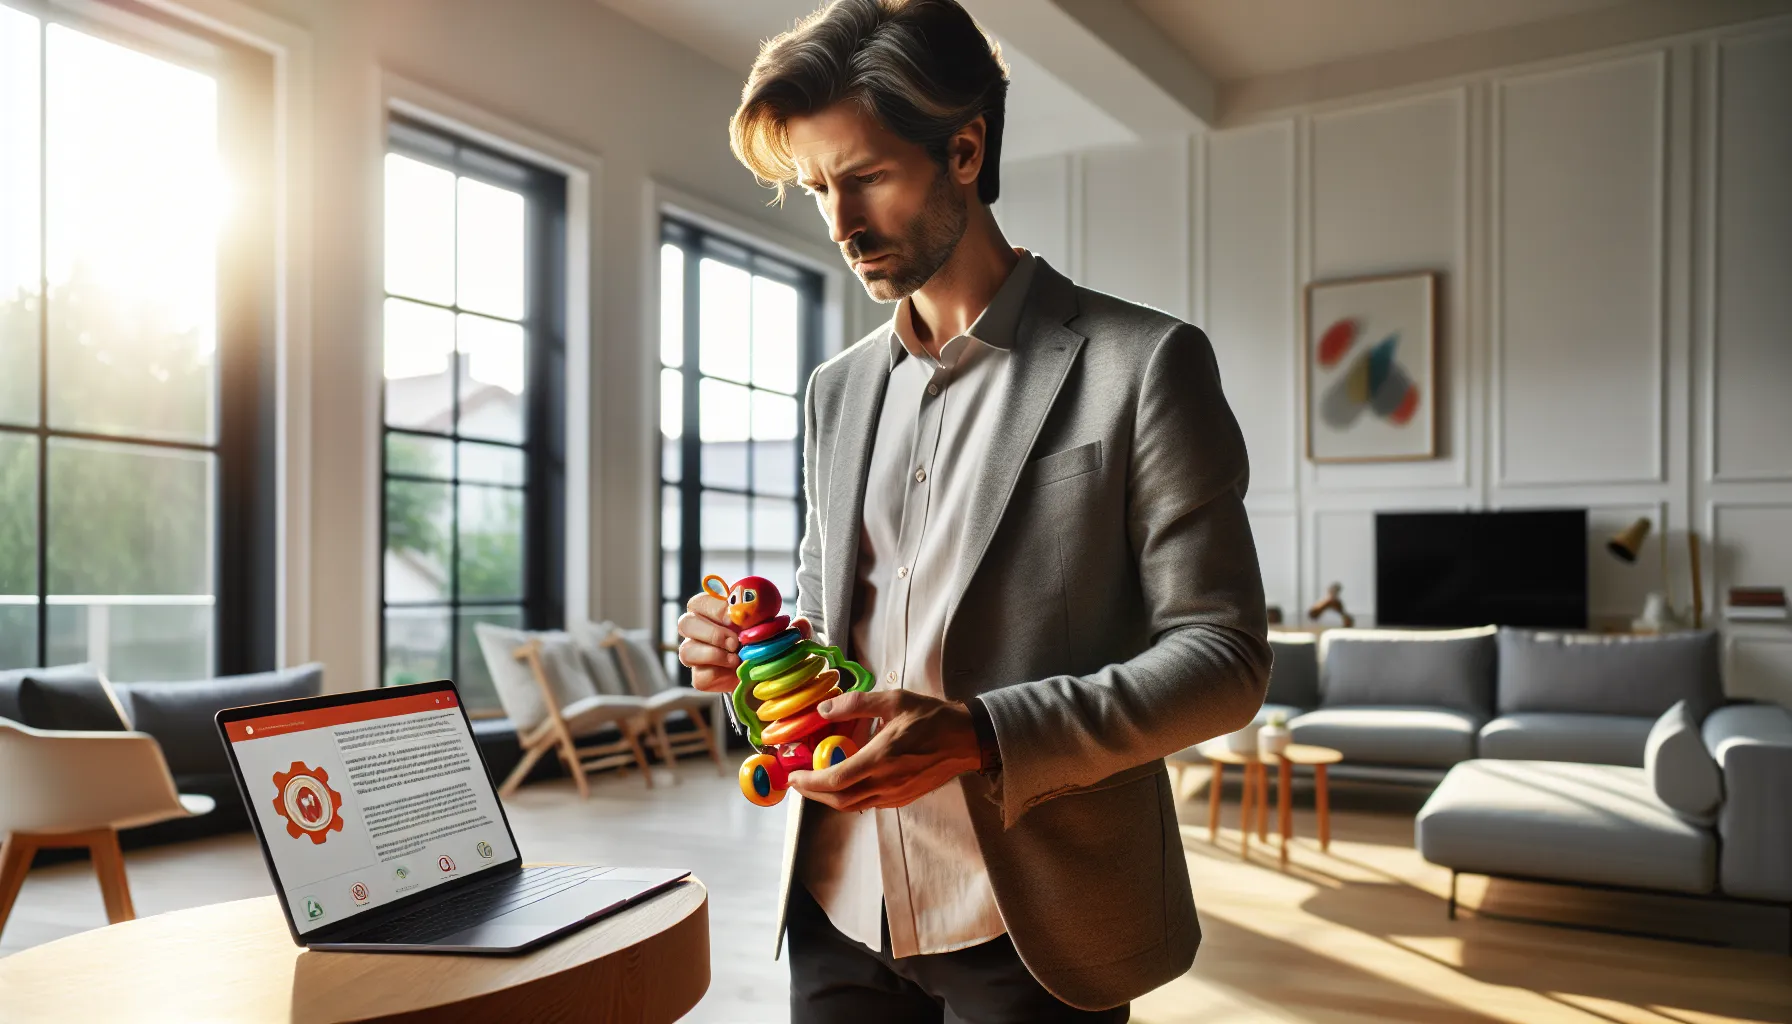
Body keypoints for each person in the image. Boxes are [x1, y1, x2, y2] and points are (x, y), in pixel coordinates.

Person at [677, 1, 1271, 1020]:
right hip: (832, 904)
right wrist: (739, 645)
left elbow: (1223, 658)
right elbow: (825, 617)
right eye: (818, 187)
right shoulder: (836, 390)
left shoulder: (1145, 367)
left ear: (963, 148)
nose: (839, 223)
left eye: (865, 177)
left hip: (1030, 923)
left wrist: (980, 733)